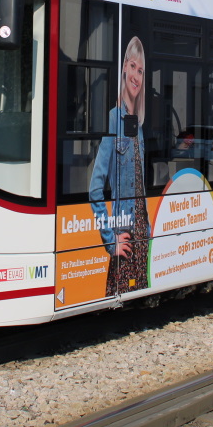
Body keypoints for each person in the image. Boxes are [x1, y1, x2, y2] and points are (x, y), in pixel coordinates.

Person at [89, 36, 150, 294]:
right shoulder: (113, 118)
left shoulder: (138, 124)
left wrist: (146, 230)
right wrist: (110, 239)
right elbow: (94, 189)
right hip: (123, 240)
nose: (136, 75)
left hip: (141, 239)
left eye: (141, 71)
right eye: (133, 66)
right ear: (124, 66)